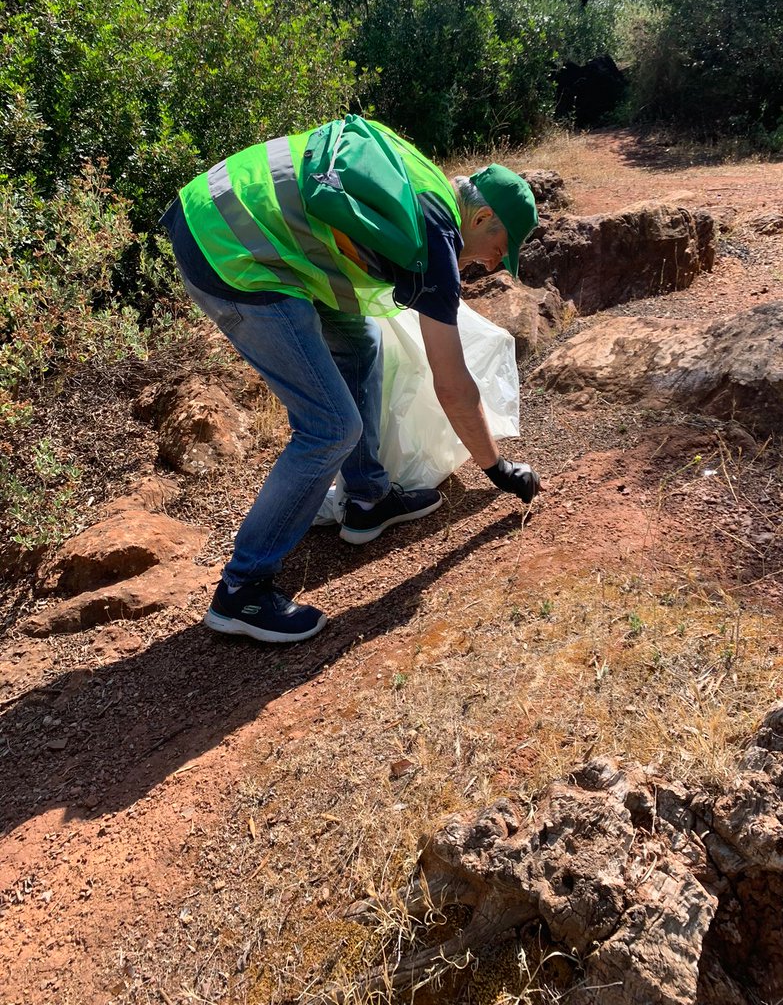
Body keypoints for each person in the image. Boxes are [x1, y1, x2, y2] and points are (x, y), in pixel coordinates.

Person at [162, 115, 541, 644]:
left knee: (361, 341)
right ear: (481, 217)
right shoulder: (436, 240)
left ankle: (368, 501)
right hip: (229, 251)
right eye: (502, 248)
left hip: (222, 209)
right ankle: (242, 591)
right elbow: (452, 385)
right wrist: (496, 468)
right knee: (330, 427)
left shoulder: (429, 181)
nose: (497, 262)